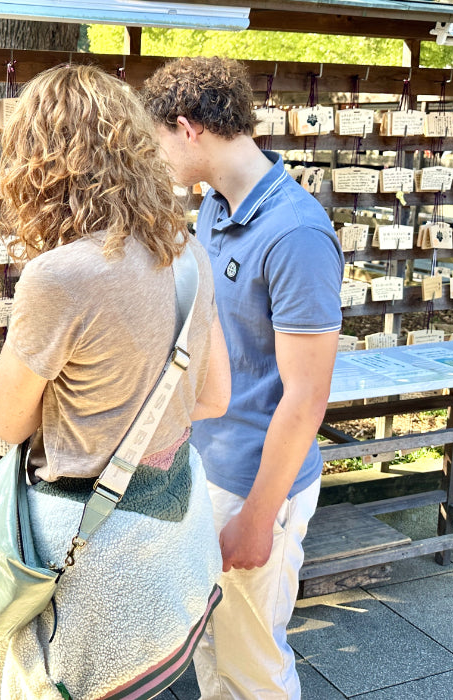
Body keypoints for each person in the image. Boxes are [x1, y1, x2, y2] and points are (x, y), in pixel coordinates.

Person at [0, 64, 231, 700]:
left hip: (92, 558)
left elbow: (7, 425)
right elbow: (214, 397)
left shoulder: (57, 277)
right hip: (173, 536)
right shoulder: (187, 255)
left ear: (39, 163)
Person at [142, 56, 342, 700]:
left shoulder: (296, 233)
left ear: (187, 127)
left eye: (158, 142)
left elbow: (308, 398)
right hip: (209, 466)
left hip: (259, 486)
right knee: (217, 652)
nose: (157, 158)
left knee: (253, 664)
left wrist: (259, 517)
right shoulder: (216, 209)